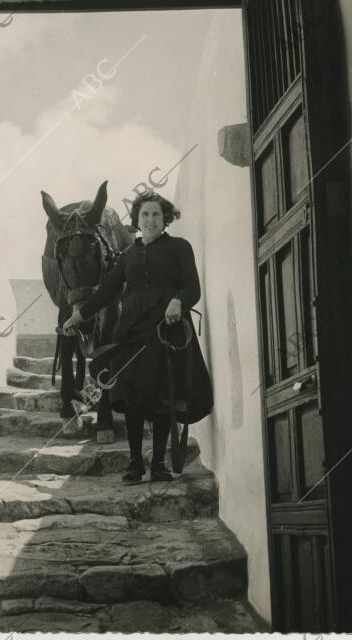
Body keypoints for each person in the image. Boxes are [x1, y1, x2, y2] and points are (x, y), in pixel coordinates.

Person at [62, 190, 211, 485]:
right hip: (130, 333)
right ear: (137, 219)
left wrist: (178, 301)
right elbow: (105, 293)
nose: (151, 220)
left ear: (165, 218)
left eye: (156, 214)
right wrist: (78, 316)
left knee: (162, 399)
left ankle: (157, 464)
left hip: (166, 332)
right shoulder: (127, 255)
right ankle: (134, 463)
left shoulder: (180, 247)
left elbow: (192, 286)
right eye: (145, 214)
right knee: (132, 399)